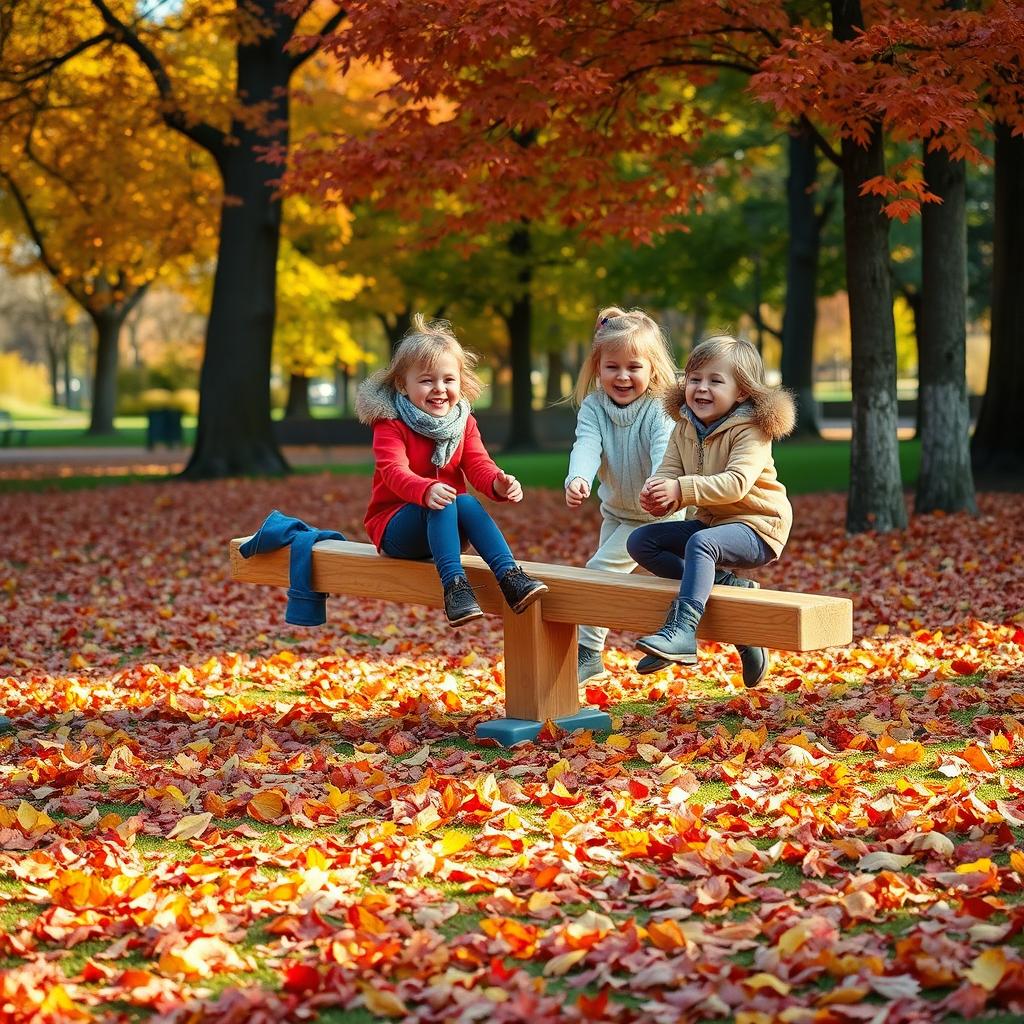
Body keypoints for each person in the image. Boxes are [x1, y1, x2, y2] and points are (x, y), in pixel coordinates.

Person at [356, 314, 547, 626]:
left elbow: (478, 463)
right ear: (403, 385)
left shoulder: (463, 423)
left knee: (466, 501)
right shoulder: (391, 423)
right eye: (427, 380)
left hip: (448, 531)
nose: (439, 389)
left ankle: (510, 577)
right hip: (396, 528)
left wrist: (499, 483)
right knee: (449, 501)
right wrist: (425, 489)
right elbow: (393, 470)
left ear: (460, 382)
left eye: (448, 379)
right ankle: (455, 588)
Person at [626, 334, 795, 686]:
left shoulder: (752, 429)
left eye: (715, 381)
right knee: (642, 542)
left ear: (742, 391)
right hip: (712, 520)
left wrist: (681, 490)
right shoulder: (685, 424)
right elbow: (670, 469)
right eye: (694, 378)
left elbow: (735, 483)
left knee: (702, 545)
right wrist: (661, 493)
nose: (701, 388)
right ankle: (731, 602)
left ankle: (682, 631)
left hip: (758, 525)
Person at [564, 306, 683, 684]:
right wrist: (578, 477)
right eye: (612, 366)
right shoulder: (594, 406)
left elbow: (665, 449)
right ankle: (598, 653)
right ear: (597, 368)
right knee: (658, 579)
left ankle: (589, 653)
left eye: (634, 367)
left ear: (652, 368)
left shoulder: (658, 408)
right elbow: (586, 444)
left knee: (600, 572)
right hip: (617, 511)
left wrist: (658, 485)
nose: (623, 376)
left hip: (660, 512)